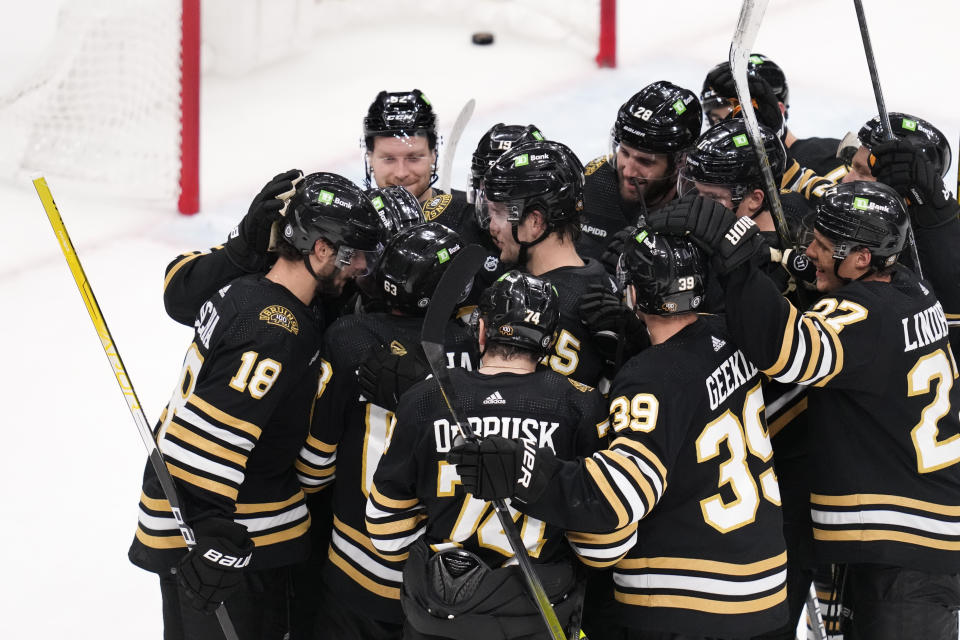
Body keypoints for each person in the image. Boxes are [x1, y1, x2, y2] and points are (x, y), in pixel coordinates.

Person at [645, 183, 960, 639]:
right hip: (910, 542)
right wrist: (773, 256)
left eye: (824, 246)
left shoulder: (863, 318)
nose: (809, 250)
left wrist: (736, 257)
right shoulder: (912, 288)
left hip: (905, 556)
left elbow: (786, 350)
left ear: (861, 260)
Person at [449, 231, 789, 638]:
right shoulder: (732, 334)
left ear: (631, 292)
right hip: (764, 585)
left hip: (684, 599)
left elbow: (617, 499)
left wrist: (526, 470)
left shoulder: (649, 378)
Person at [127, 172, 382, 640]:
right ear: (321, 250)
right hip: (232, 540)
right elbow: (209, 438)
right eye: (355, 252)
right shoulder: (276, 327)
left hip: (209, 527)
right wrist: (213, 540)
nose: (362, 266)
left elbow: (182, 276)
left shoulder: (245, 288)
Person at [366, 271, 629, 640]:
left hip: (436, 619)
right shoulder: (580, 404)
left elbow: (386, 533)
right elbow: (603, 547)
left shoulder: (426, 397)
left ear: (483, 330)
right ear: (549, 342)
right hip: (533, 616)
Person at [293, 222, 477, 639]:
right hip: (440, 579)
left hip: (353, 564)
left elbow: (315, 464)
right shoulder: (476, 351)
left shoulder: (350, 336)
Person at [477, 138, 619, 388]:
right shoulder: (597, 277)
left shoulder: (547, 310)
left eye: (499, 212)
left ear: (535, 222)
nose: (492, 226)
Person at [577, 80, 702, 262]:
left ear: (680, 162)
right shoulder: (594, 181)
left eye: (645, 161)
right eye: (625, 153)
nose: (628, 172)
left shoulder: (702, 206)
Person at [701, 53, 843, 178]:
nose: (720, 134)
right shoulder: (736, 173)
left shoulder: (824, 155)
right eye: (716, 120)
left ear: (778, 110)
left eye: (728, 120)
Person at [362, 89, 473, 236]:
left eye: (413, 158)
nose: (401, 173)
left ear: (434, 154)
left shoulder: (469, 214)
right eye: (389, 159)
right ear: (370, 158)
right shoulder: (354, 222)